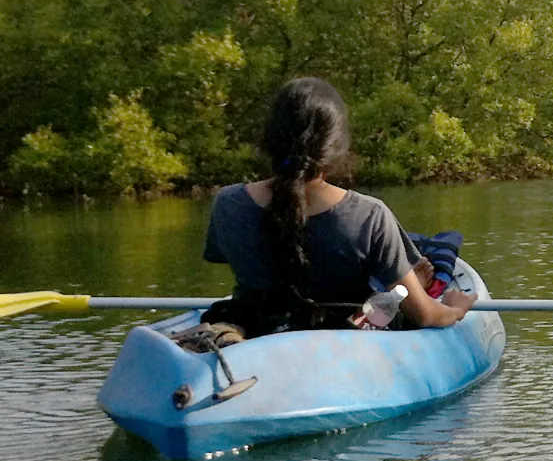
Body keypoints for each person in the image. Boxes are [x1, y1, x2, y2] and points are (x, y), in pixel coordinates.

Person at [203, 76, 475, 336]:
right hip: (346, 336)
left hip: (257, 329)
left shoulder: (228, 202)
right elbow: (426, 316)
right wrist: (454, 308)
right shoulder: (370, 214)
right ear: (336, 145)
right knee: (386, 303)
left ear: (269, 138)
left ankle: (403, 284)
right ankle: (404, 285)